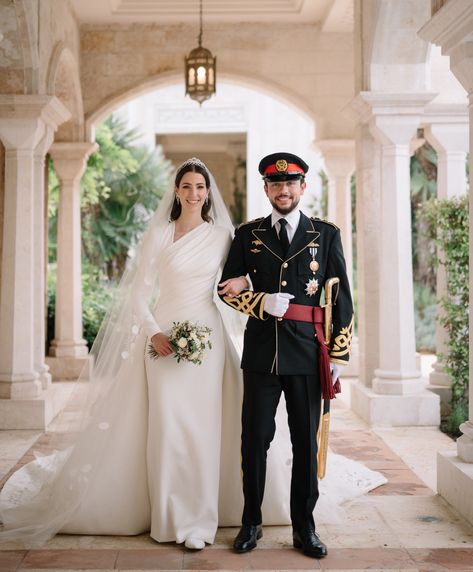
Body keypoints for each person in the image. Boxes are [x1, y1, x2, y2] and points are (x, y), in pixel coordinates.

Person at [218, 152, 354, 559]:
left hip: (310, 352)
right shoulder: (248, 235)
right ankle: (250, 522)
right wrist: (261, 302)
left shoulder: (325, 233)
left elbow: (342, 296)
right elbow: (225, 288)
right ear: (266, 189)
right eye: (276, 184)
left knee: (305, 443)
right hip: (261, 354)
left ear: (303, 187)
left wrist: (337, 355)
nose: (283, 190)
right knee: (254, 440)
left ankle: (304, 528)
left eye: (291, 183)